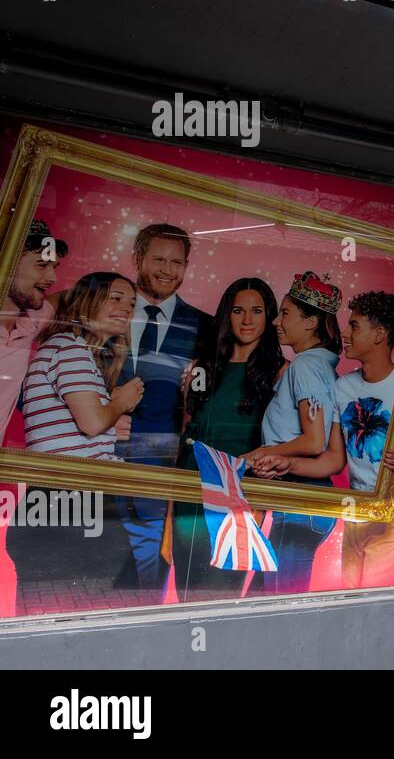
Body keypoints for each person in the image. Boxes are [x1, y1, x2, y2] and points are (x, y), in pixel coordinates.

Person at [259, 291, 394, 588]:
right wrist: (284, 463)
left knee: (371, 606)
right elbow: (333, 459)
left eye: (354, 325)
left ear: (379, 335)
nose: (344, 333)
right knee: (353, 604)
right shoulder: (344, 387)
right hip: (357, 514)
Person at [7, 272, 143, 614]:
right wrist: (119, 403)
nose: (126, 308)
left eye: (131, 303)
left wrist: (110, 418)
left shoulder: (72, 350)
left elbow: (89, 426)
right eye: (115, 298)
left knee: (61, 626)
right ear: (86, 301)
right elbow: (93, 422)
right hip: (70, 504)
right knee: (94, 626)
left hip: (66, 505)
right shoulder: (69, 347)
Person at [171, 278, 284, 602]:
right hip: (191, 486)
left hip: (241, 492)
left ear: (269, 316)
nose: (247, 320)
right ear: (226, 315)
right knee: (187, 591)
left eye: (256, 311)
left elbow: (287, 442)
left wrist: (260, 502)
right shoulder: (201, 368)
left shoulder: (281, 371)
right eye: (238, 310)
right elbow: (186, 432)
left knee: (222, 594)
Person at [114, 224, 212, 594]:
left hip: (163, 467)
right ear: (138, 258)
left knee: (149, 575)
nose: (167, 269)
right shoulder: (104, 310)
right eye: (158, 259)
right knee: (87, 569)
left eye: (177, 262)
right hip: (96, 459)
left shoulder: (205, 326)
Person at [244, 271, 342, 595]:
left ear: (311, 321)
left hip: (299, 499)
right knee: (266, 600)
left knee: (282, 606)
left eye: (285, 314)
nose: (275, 321)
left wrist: (259, 455)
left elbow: (314, 442)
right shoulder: (315, 364)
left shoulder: (306, 366)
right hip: (302, 501)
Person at [0, 220, 66, 438]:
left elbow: (63, 299)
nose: (52, 278)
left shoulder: (34, 318)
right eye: (41, 265)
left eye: (53, 267)